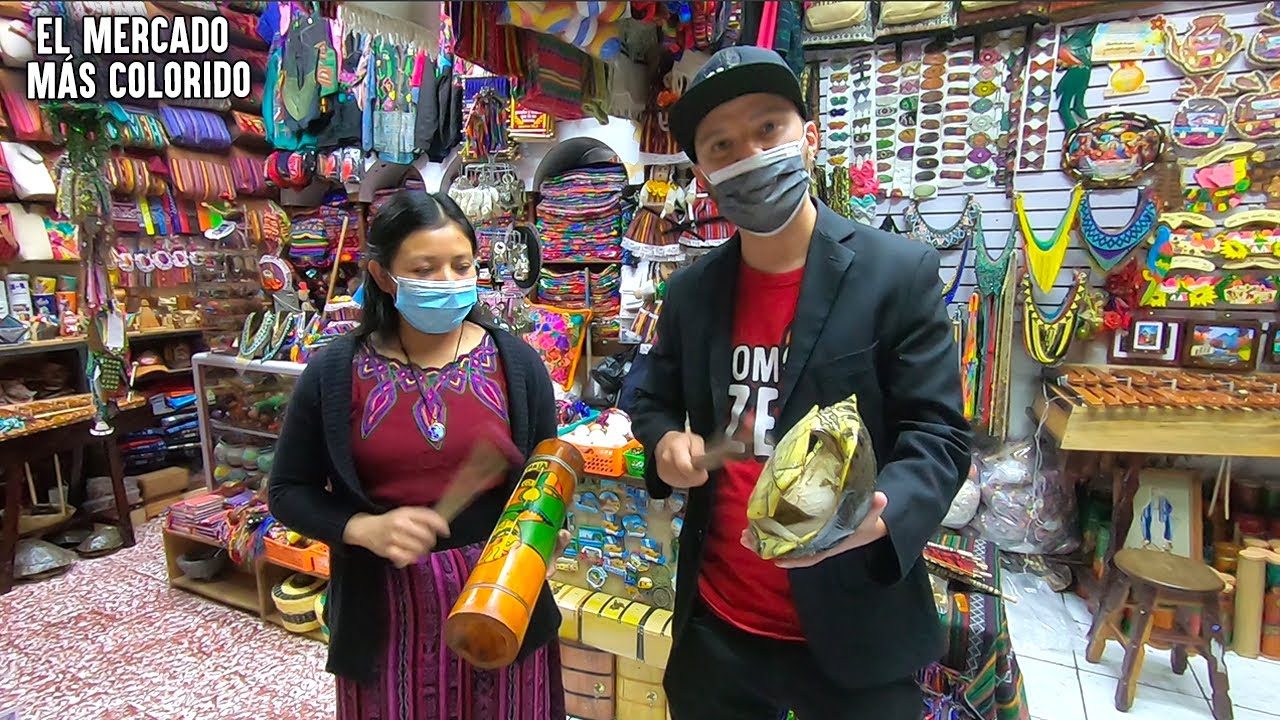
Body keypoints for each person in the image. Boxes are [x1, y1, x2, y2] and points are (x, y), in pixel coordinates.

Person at [630, 46, 972, 720]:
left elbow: (937, 435)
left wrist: (879, 514)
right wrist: (665, 441)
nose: (750, 155)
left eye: (767, 130)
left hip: (854, 632)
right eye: (722, 145)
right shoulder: (693, 292)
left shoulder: (895, 273)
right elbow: (650, 395)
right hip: (719, 627)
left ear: (809, 138)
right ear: (703, 173)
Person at [269, 190, 567, 720]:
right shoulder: (335, 372)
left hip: (500, 602)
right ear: (385, 276)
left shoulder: (517, 365)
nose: (448, 281)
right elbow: (288, 492)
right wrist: (363, 528)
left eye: (462, 265)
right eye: (425, 269)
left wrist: (542, 535)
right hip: (385, 609)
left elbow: (543, 482)